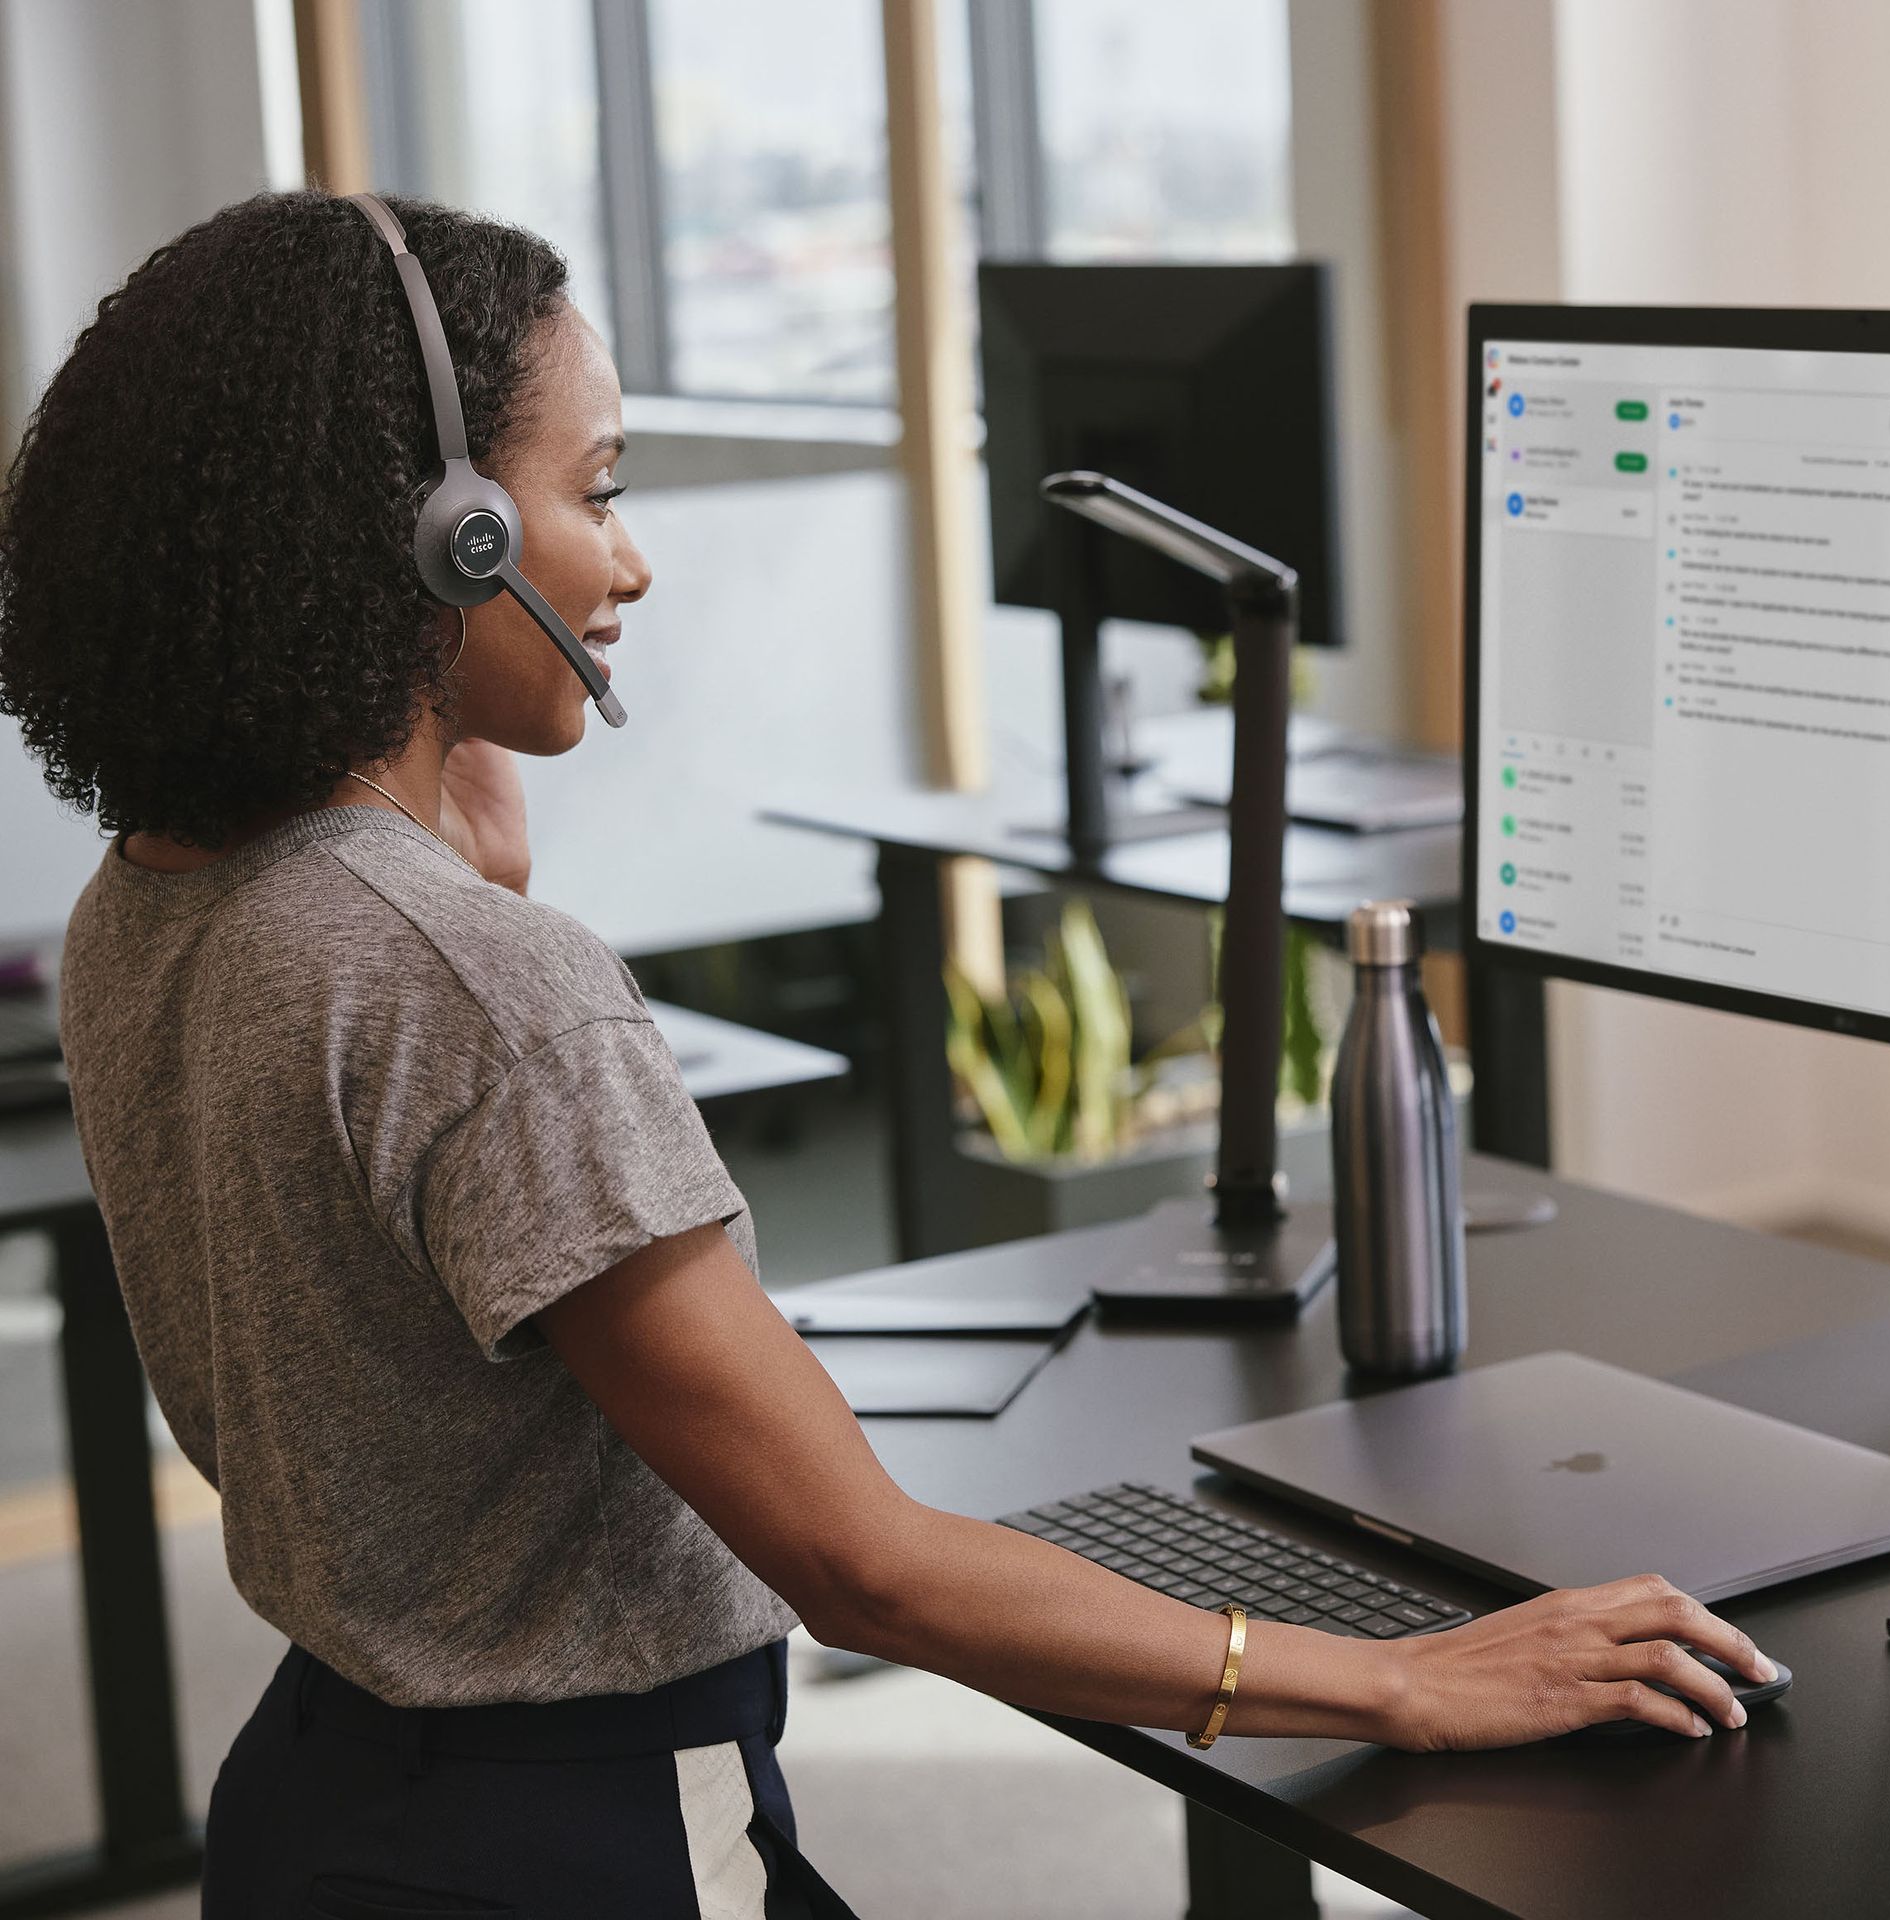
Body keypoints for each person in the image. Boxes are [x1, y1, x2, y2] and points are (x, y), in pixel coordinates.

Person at [0, 190, 1776, 1918]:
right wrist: (1404, 1679)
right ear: (446, 536)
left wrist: (444, 810)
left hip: (320, 1800)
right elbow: (866, 1568)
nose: (630, 561)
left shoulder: (151, 900)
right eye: (595, 493)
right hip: (573, 1836)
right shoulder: (475, 992)